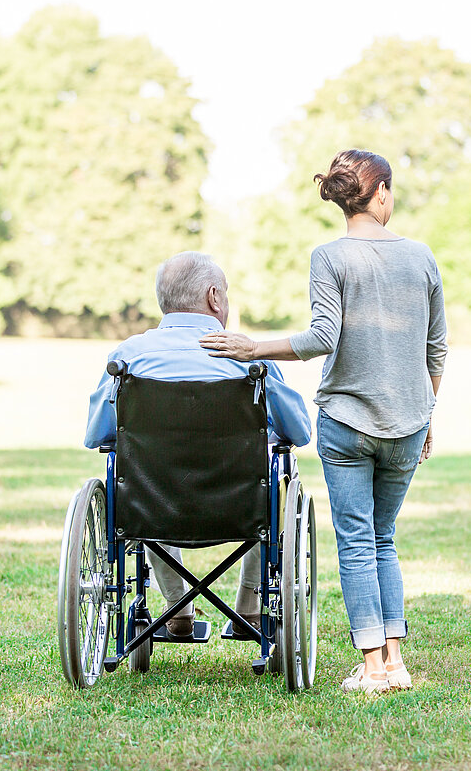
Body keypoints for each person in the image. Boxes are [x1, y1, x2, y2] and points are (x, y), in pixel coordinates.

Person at [201, 149, 446, 694]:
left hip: (347, 421)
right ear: (379, 192)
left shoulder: (328, 257)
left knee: (357, 540)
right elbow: (437, 349)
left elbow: (321, 339)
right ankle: (395, 662)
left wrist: (252, 347)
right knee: (383, 537)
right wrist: (427, 415)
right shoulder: (422, 257)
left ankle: (373, 667)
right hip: (408, 421)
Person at [85, 251, 311, 639]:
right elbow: (301, 433)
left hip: (153, 506)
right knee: (273, 483)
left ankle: (177, 612)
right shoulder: (247, 360)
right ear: (214, 297)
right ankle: (251, 611)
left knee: (142, 478)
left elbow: (97, 437)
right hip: (240, 506)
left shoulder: (128, 358)